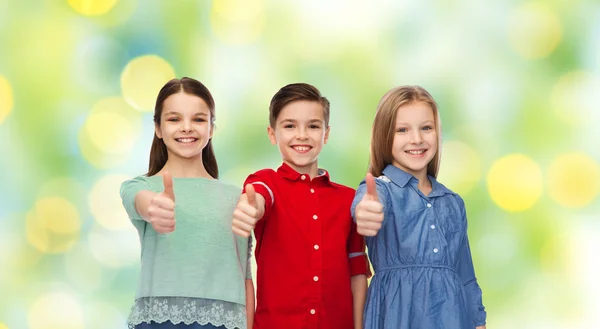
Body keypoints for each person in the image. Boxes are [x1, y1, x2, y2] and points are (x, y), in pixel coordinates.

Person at [231, 83, 370, 329]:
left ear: (326, 134)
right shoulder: (265, 182)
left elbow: (357, 273)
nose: (302, 135)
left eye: (313, 126)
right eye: (290, 125)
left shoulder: (349, 200)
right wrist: (251, 209)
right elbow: (258, 198)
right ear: (272, 134)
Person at [120, 77, 254, 329]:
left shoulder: (238, 198)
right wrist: (153, 208)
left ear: (211, 128)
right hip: (159, 323)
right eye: (174, 119)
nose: (186, 127)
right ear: (158, 128)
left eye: (198, 119)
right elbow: (141, 202)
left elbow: (245, 277)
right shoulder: (142, 187)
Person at [352, 85, 486, 329]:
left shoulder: (453, 202)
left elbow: (466, 277)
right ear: (385, 136)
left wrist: (479, 322)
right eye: (402, 130)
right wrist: (365, 212)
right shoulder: (381, 190)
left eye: (426, 128)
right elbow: (364, 207)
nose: (417, 139)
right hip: (395, 318)